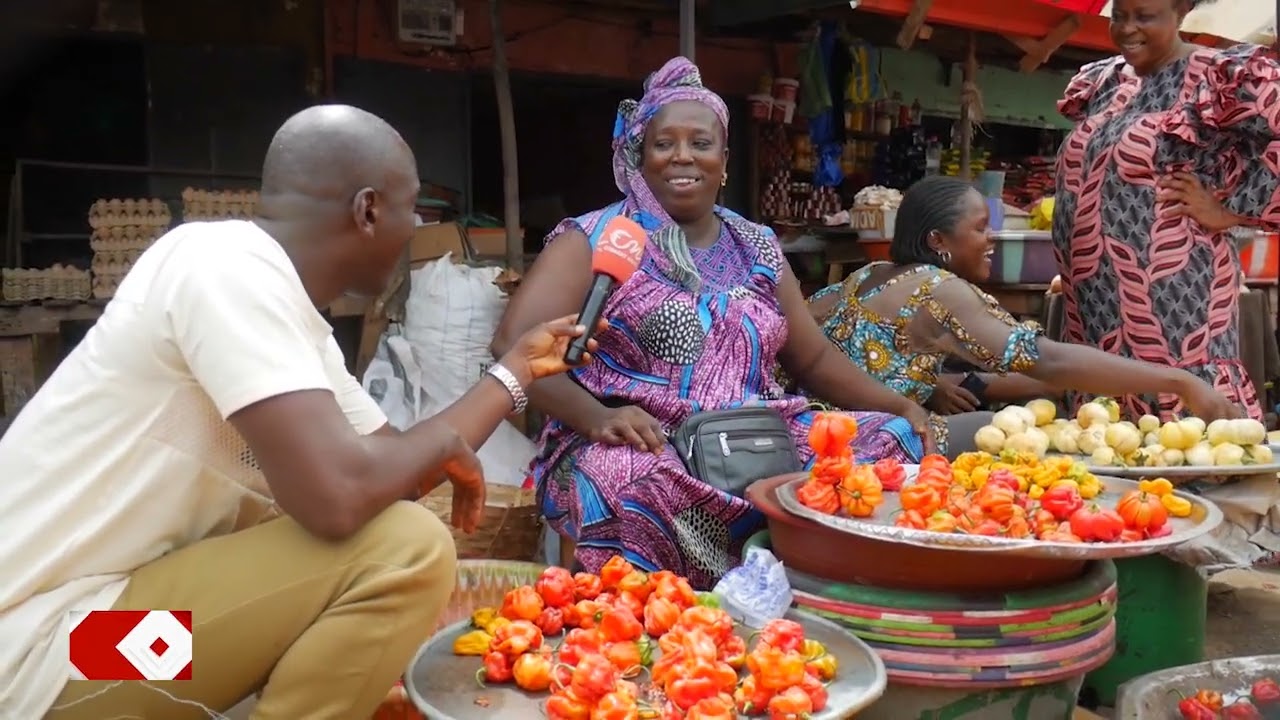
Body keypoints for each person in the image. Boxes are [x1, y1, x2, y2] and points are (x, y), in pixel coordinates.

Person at [0, 105, 596, 720]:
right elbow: (341, 498)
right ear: (367, 210)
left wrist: (516, 372)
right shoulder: (221, 265)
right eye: (409, 210)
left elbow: (394, 476)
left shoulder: (290, 321)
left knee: (391, 531)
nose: (413, 227)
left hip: (104, 629)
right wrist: (441, 445)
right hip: (48, 654)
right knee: (407, 549)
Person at [490, 57, 940, 589]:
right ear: (641, 154)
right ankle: (651, 622)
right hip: (648, 442)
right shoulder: (594, 237)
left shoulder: (756, 245)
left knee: (891, 441)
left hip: (755, 437)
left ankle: (815, 598)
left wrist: (899, 404)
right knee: (621, 478)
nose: (683, 156)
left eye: (701, 143)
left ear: (724, 159)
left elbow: (812, 357)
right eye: (664, 143)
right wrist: (593, 417)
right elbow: (511, 344)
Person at [805, 176, 1238, 456]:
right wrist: (1179, 380)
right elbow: (1045, 359)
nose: (990, 238)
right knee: (1020, 434)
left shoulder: (868, 274)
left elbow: (823, 338)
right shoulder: (938, 290)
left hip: (816, 431)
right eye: (979, 228)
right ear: (938, 239)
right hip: (858, 444)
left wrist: (930, 381)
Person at [1054, 0, 1280, 421]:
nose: (1127, 28)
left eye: (1144, 16)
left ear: (1180, 13)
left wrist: (1230, 212)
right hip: (1091, 298)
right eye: (1119, 15)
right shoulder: (1104, 80)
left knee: (1177, 430)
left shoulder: (1219, 77)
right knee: (1107, 438)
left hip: (1173, 295)